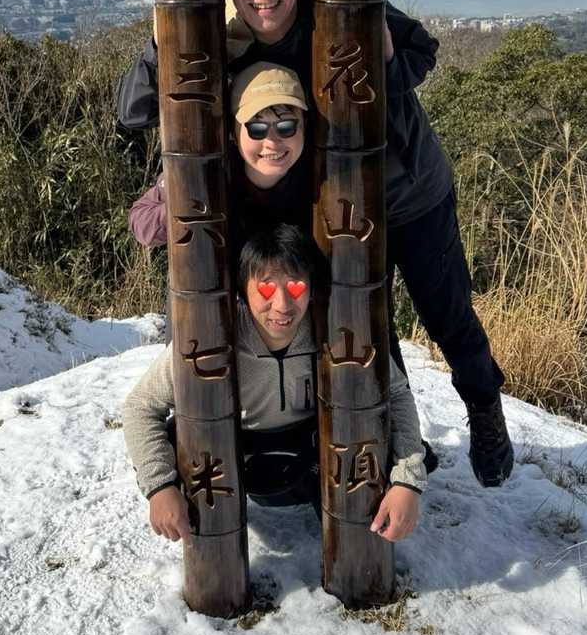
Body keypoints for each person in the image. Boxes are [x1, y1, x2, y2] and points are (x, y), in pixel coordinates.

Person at [117, 0, 514, 489]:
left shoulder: (342, 7)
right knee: (361, 322)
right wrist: (162, 46)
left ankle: (483, 406)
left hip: (407, 191)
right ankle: (395, 436)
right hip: (328, 206)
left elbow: (421, 51)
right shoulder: (218, 36)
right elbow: (135, 111)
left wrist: (380, 65)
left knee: (447, 313)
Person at [122, 224, 428, 542]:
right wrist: (160, 486)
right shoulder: (210, 336)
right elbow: (140, 407)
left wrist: (407, 480)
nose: (282, 305)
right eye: (266, 289)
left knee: (370, 431)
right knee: (187, 438)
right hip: (231, 452)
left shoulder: (338, 329)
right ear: (243, 290)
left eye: (296, 287)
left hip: (313, 449)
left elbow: (395, 393)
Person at [128, 62, 310, 254]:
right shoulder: (207, 169)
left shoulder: (319, 175)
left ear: (304, 126)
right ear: (233, 133)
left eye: (286, 126)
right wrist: (184, 206)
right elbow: (140, 221)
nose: (271, 142)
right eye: (257, 129)